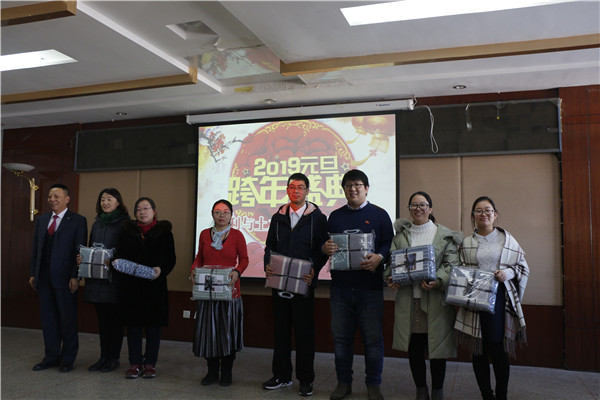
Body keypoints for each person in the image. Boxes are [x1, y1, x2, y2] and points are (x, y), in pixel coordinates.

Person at [322, 169, 394, 400]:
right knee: (341, 340)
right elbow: (325, 245)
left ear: (366, 188)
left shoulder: (380, 214)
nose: (353, 189)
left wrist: (380, 257)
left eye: (358, 185)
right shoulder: (335, 216)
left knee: (373, 340)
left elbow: (389, 243)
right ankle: (343, 383)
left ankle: (374, 384)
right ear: (344, 189)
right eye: (348, 185)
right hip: (340, 289)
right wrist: (325, 248)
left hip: (370, 289)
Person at [383, 191, 461, 400]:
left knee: (438, 348)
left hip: (436, 300)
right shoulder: (400, 236)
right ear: (409, 209)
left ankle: (437, 391)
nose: (418, 208)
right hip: (410, 301)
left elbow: (451, 265)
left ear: (430, 208)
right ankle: (421, 390)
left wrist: (438, 280)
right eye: (414, 205)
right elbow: (391, 264)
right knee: (414, 348)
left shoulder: (444, 235)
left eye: (422, 205)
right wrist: (390, 277)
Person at [454, 196, 529, 400]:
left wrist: (506, 274)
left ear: (495, 215)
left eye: (488, 210)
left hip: (499, 300)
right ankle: (486, 394)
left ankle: (501, 394)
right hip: (474, 300)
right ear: (473, 216)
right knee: (478, 350)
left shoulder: (507, 239)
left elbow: (522, 267)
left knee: (497, 349)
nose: (483, 214)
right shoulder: (467, 243)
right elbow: (460, 270)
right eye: (478, 211)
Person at [262, 173, 329, 397]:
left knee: (304, 334)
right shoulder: (278, 217)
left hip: (303, 284)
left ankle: (306, 380)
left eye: (300, 187)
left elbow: (323, 249)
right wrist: (267, 264)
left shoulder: (318, 218)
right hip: (279, 282)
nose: (296, 191)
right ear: (287, 190)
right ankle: (281, 376)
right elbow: (269, 246)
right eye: (292, 187)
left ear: (307, 191)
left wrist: (314, 269)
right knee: (280, 332)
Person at [114, 197, 176, 379]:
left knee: (153, 328)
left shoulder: (165, 232)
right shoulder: (127, 232)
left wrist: (161, 269)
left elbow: (171, 258)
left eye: (146, 208)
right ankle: (134, 364)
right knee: (133, 327)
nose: (142, 212)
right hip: (131, 286)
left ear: (154, 211)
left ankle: (150, 364)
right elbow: (120, 255)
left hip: (155, 286)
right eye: (139, 209)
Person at [29, 183, 87, 373]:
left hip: (65, 278)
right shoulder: (42, 220)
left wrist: (75, 276)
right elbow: (36, 249)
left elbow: (79, 251)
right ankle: (51, 357)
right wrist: (33, 273)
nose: (52, 199)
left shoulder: (78, 221)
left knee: (67, 320)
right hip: (43, 277)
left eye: (56, 196)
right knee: (48, 320)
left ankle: (67, 359)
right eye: (50, 196)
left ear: (67, 199)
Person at [190, 199, 248, 387]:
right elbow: (199, 257)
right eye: (217, 212)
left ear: (231, 215)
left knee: (227, 333)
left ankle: (227, 371)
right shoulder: (204, 234)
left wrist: (237, 272)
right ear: (212, 214)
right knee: (209, 334)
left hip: (230, 292)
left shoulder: (237, 235)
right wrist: (193, 269)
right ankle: (212, 371)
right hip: (207, 291)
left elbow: (245, 259)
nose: (221, 215)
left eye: (225, 212)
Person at [83, 188, 130, 373]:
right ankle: (103, 357)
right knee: (102, 322)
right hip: (96, 280)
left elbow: (127, 251)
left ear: (118, 202)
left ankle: (113, 358)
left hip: (115, 281)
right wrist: (83, 257)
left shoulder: (125, 223)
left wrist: (114, 260)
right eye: (102, 199)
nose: (105, 202)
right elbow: (90, 246)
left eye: (109, 199)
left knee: (115, 322)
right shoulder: (97, 223)